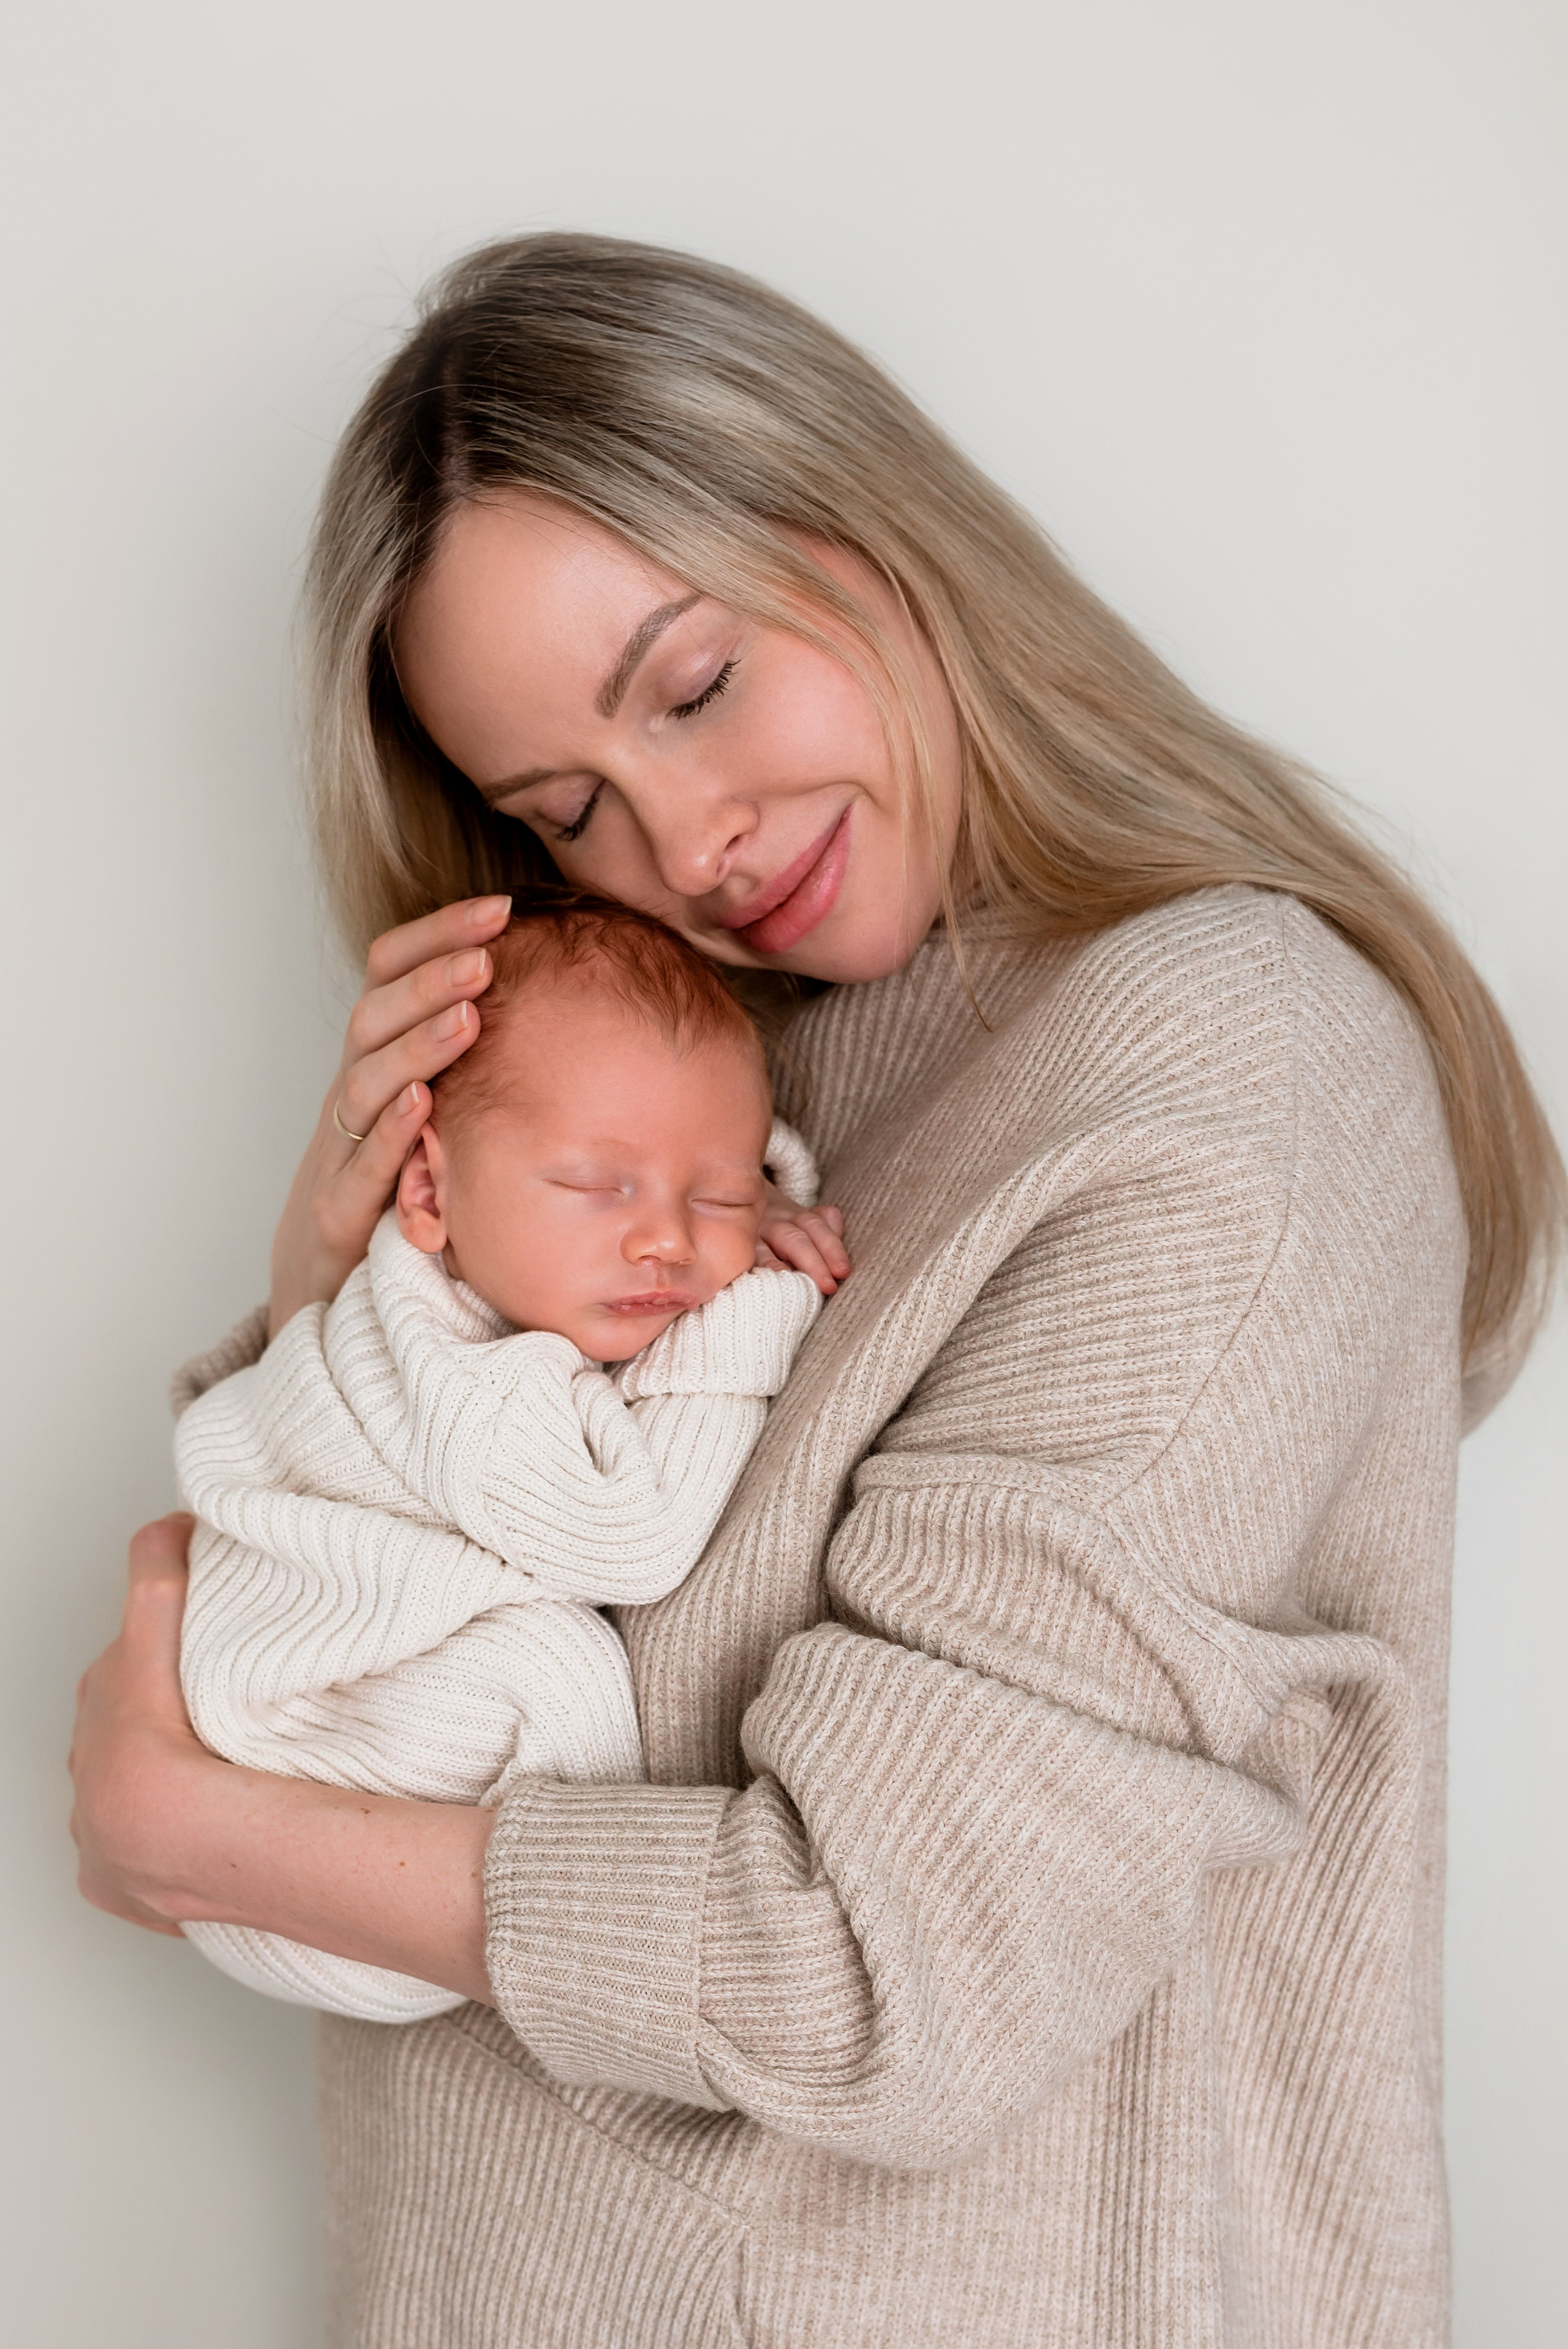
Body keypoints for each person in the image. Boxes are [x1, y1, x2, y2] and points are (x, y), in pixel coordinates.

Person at [70, 234, 1564, 2347]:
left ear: (878, 533)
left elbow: (877, 1962)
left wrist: (206, 1833)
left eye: (691, 686)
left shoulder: (1222, 1065)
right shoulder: (709, 1082)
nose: (684, 836)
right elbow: (381, 1650)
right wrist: (347, 1290)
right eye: (565, 805)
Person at [174, 899, 833, 2022]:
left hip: (292, 1814)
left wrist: (761, 1201)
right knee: (562, 1674)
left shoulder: (511, 1282)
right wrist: (758, 1304)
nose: (668, 1238)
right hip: (308, 1730)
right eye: (597, 1187)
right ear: (427, 1192)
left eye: (722, 1195)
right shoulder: (461, 1368)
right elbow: (632, 1531)